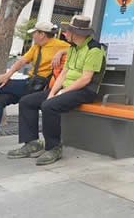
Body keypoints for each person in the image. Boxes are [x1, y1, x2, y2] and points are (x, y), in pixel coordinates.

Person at [8, 15, 105, 166]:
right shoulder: (73, 48)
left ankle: (53, 147)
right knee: (27, 101)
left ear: (76, 33)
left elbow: (86, 79)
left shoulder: (94, 49)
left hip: (85, 90)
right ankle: (32, 143)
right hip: (66, 88)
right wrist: (53, 93)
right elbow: (64, 74)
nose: (65, 34)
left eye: (68, 31)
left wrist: (60, 94)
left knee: (49, 105)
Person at [0, 21, 70, 150]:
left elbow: (75, 49)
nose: (33, 36)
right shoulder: (37, 47)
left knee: (1, 87)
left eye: (34, 33)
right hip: (31, 82)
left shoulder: (58, 44)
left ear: (42, 34)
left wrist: (61, 52)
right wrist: (8, 74)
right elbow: (22, 61)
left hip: (42, 85)